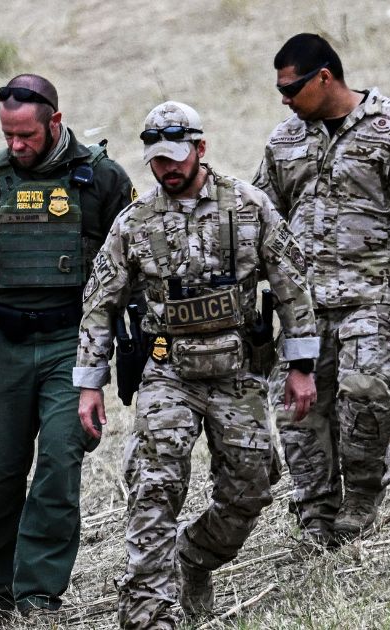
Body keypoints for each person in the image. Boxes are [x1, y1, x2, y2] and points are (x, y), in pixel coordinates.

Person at [76, 101, 320, 629]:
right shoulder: (134, 224)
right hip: (169, 375)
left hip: (238, 374)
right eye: (157, 160)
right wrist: (89, 382)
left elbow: (293, 288)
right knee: (155, 484)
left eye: (175, 156)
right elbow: (100, 304)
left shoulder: (249, 207)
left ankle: (195, 557)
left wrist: (301, 365)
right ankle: (148, 614)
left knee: (251, 487)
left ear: (200, 149)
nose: (167, 168)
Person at [0, 73, 136, 627]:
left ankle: (38, 595)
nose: (16, 145)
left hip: (74, 345)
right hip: (7, 345)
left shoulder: (103, 179)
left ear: (55, 122)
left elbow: (137, 251)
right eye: (7, 134)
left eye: (26, 135)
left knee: (58, 465)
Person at [253, 33, 390, 547]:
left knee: (365, 392)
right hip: (305, 303)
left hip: (377, 291)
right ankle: (315, 512)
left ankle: (362, 497)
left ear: (325, 77)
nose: (284, 99)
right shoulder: (284, 142)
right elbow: (260, 216)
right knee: (298, 411)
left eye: (292, 87)